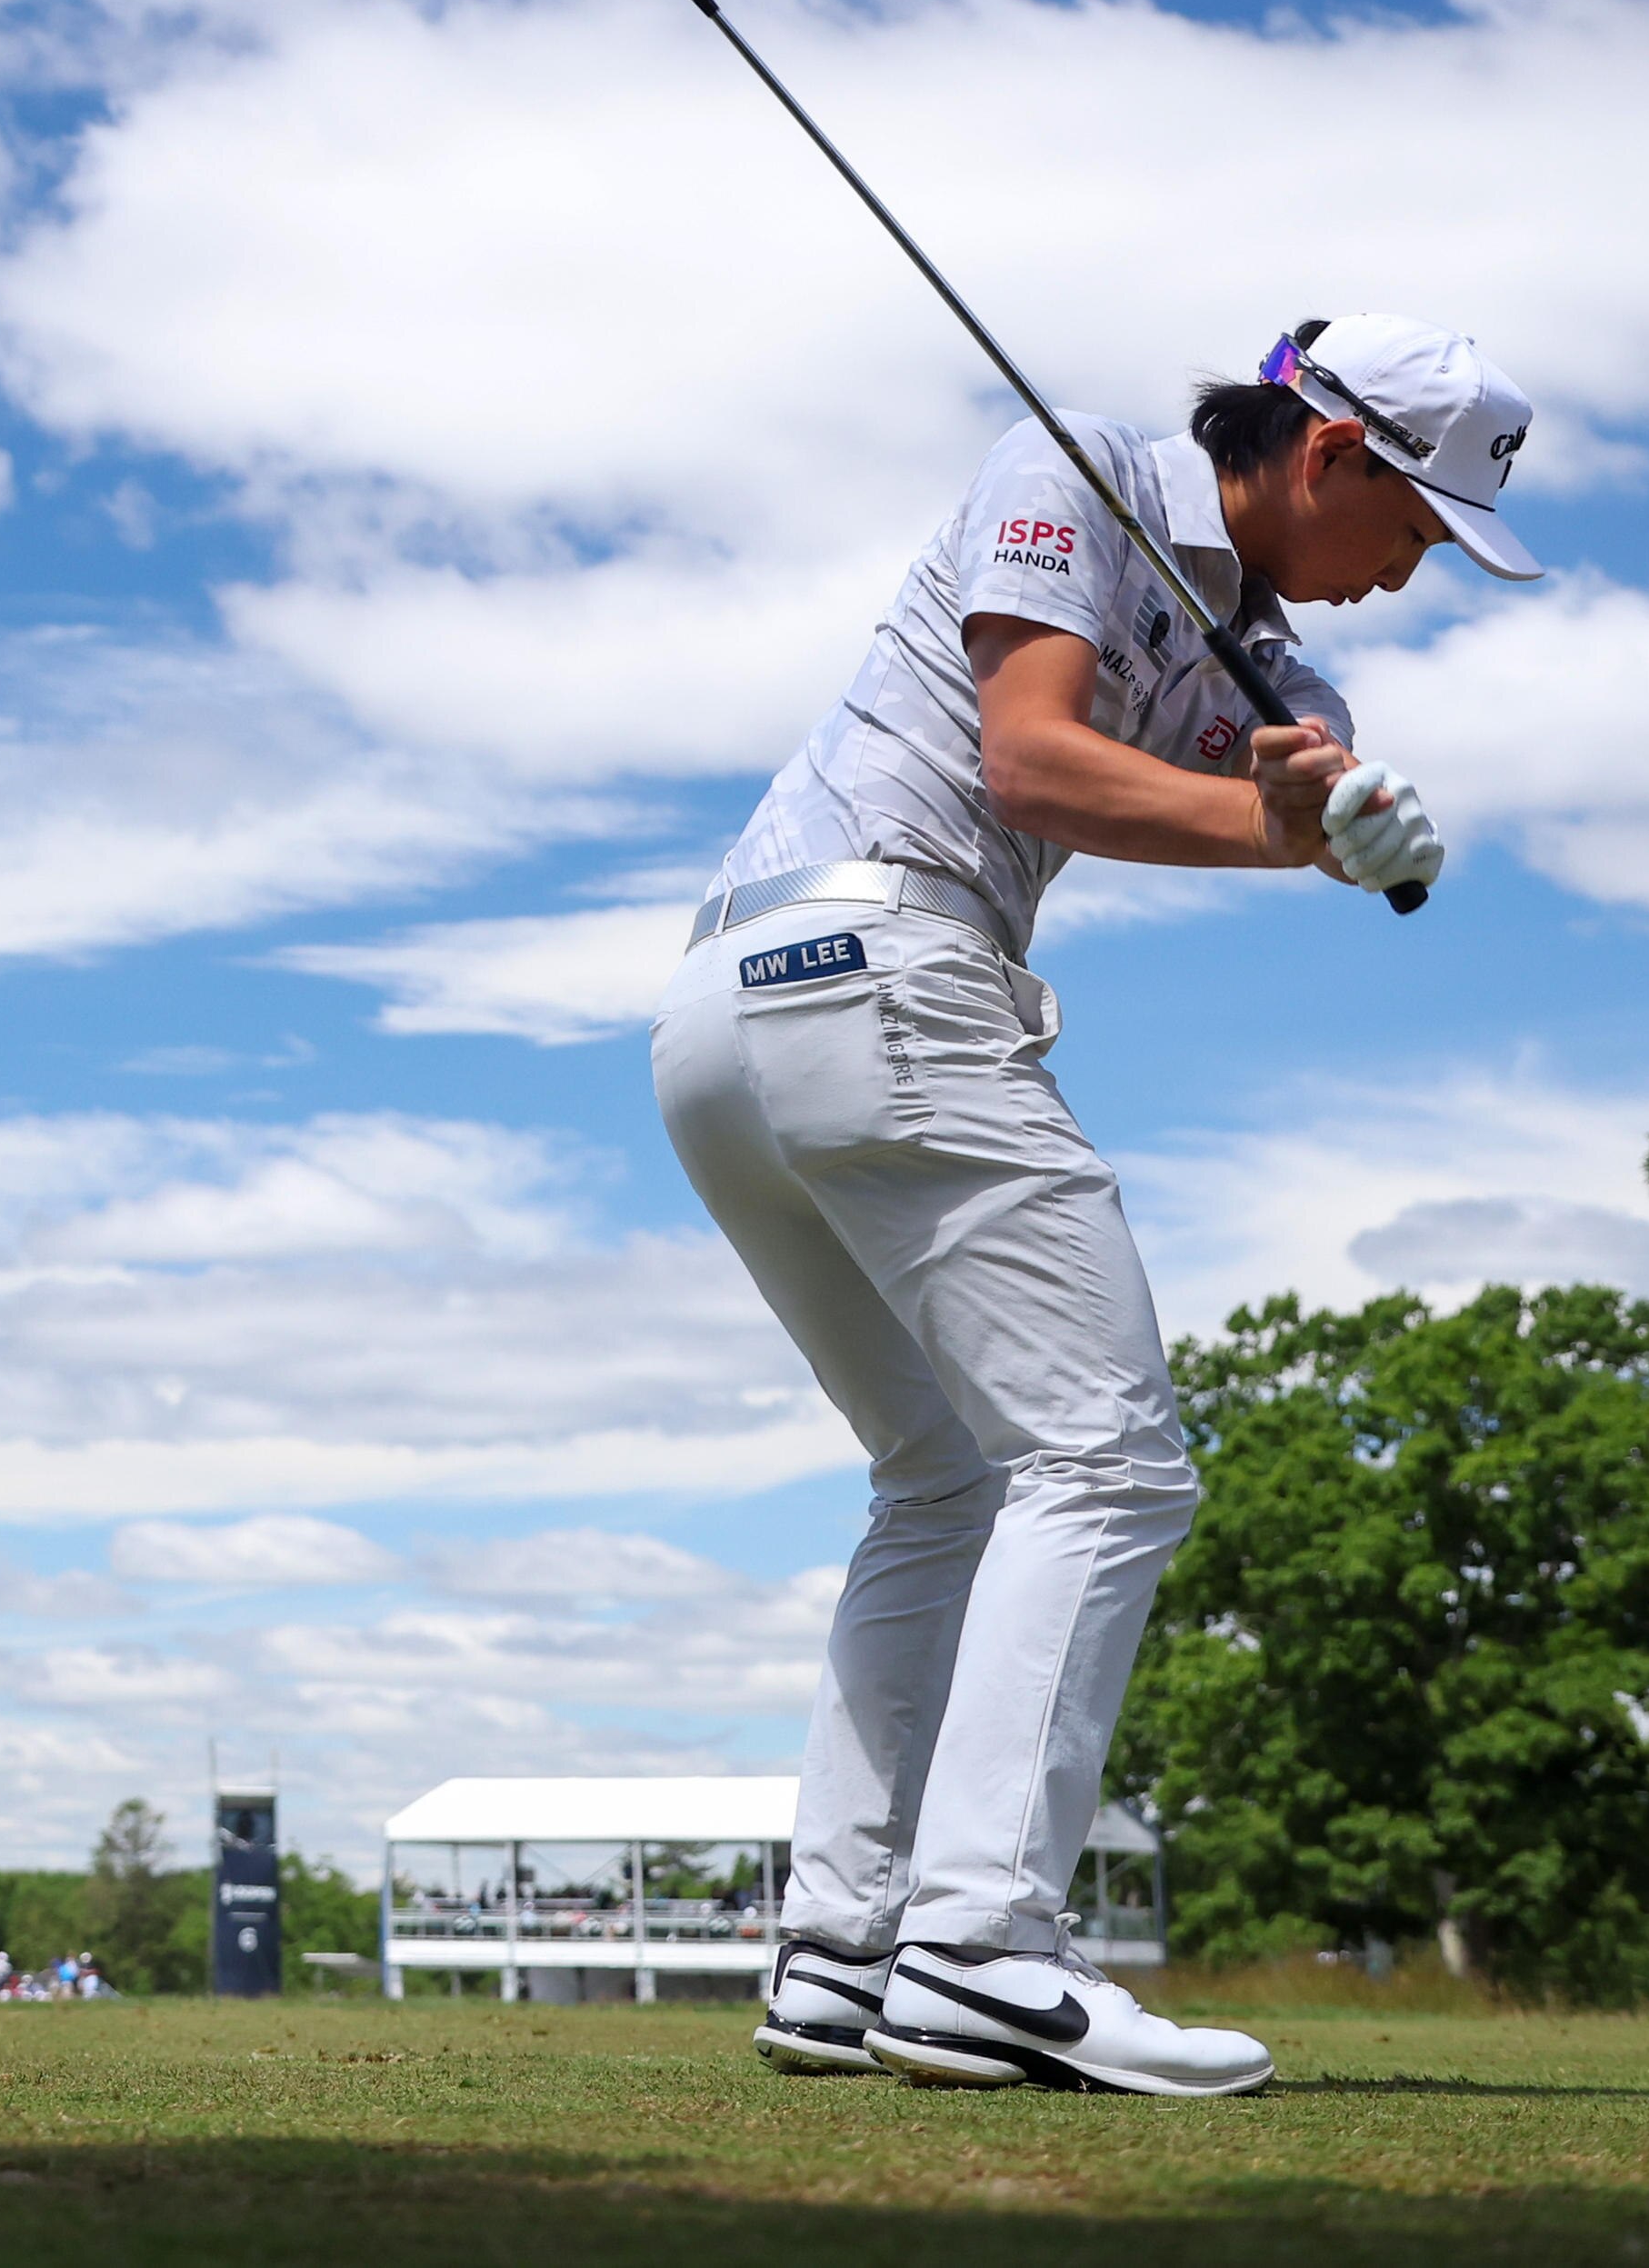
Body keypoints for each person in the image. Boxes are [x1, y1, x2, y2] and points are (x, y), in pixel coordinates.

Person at [655, 314, 1533, 2104]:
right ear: (1330, 450)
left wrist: (1338, 812)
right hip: (868, 965)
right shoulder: (1074, 468)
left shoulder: (1280, 663)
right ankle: (982, 1949)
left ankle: (844, 1946)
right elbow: (1032, 762)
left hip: (738, 1025)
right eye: (1416, 523)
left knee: (944, 1477)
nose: (1412, 567)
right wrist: (1280, 831)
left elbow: (1280, 777)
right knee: (1108, 1460)